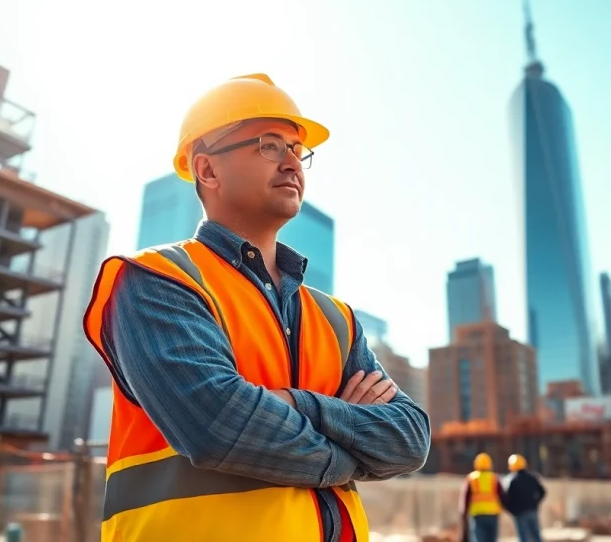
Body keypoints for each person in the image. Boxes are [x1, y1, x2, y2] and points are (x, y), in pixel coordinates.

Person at [83, 73, 432, 541]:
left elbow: (409, 439)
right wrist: (348, 455)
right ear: (207, 170)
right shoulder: (156, 281)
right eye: (270, 145)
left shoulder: (336, 319)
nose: (293, 162)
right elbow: (217, 425)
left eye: (297, 148)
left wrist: (294, 406)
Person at [459, 453, 504, 542]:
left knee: (479, 539)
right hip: (493, 514)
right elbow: (502, 496)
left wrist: (463, 513)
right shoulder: (494, 478)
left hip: (478, 514)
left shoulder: (471, 478)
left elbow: (465, 498)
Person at [501, 453, 545, 542]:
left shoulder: (511, 480)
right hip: (532, 510)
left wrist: (511, 510)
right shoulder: (532, 477)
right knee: (536, 536)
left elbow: (505, 498)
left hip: (519, 513)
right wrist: (535, 503)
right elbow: (542, 492)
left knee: (523, 537)